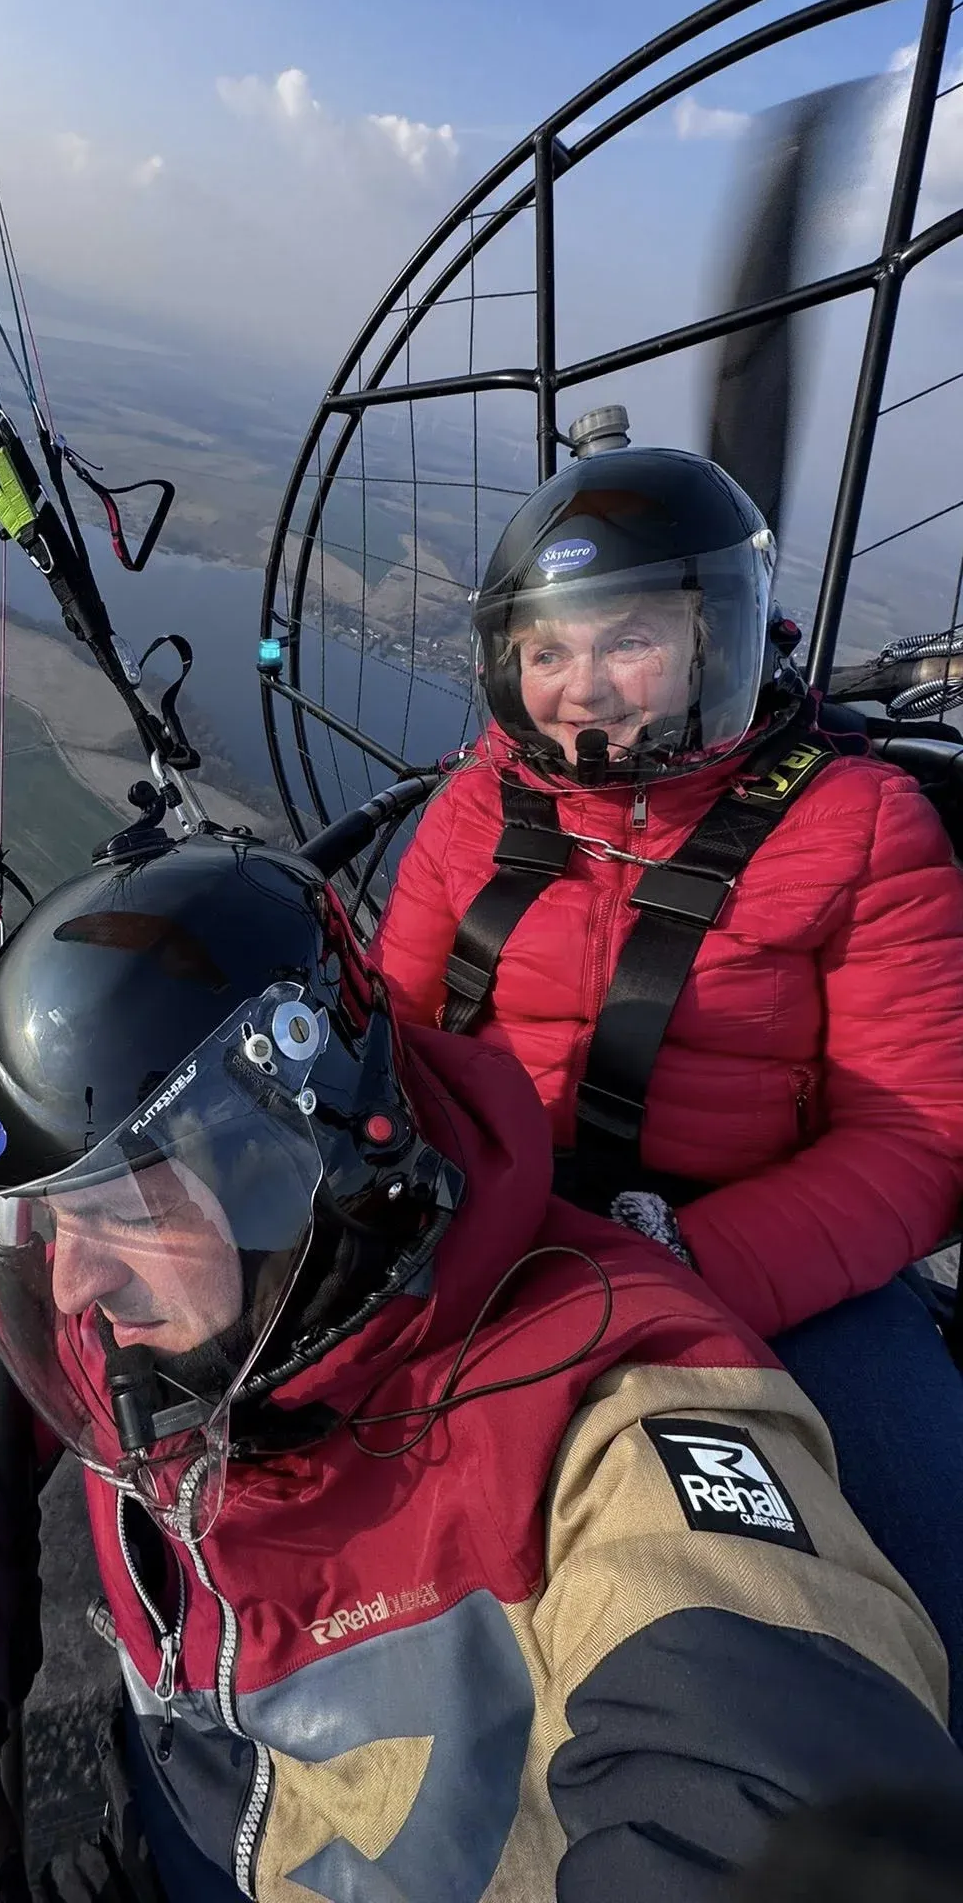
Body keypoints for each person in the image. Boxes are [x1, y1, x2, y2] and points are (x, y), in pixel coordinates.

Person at [0, 831, 963, 1903]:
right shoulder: (165, 1294)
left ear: (289, 1157)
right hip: (188, 1843)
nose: (73, 1283)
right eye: (42, 1222)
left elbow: (775, 1792)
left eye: (118, 1208)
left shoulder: (609, 1422)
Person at [370, 442, 963, 1720]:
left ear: (715, 640)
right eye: (548, 651)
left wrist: (690, 1256)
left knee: (927, 1591)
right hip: (491, 1225)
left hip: (768, 1264)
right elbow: (394, 1027)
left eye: (627, 640)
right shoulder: (477, 808)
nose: (582, 690)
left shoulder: (861, 826)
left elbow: (916, 1144)